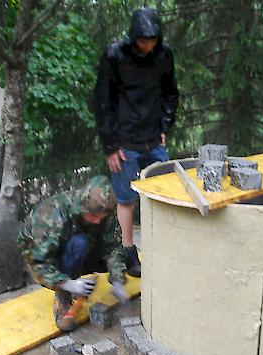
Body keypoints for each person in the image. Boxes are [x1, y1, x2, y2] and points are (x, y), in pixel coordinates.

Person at [94, 7, 179, 278]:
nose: (148, 45)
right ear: (133, 37)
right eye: (143, 40)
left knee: (163, 195)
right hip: (124, 142)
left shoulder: (164, 55)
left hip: (154, 139)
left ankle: (166, 250)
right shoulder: (115, 55)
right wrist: (110, 146)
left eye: (152, 40)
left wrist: (165, 126)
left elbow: (170, 94)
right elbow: (102, 102)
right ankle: (128, 252)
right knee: (126, 198)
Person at [18, 176, 127, 332]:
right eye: (94, 216)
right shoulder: (52, 215)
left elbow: (113, 246)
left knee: (127, 256)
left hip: (75, 243)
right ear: (83, 206)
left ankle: (75, 278)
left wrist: (118, 280)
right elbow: (38, 263)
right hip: (40, 252)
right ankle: (63, 296)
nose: (97, 221)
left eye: (101, 217)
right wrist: (68, 284)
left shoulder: (103, 212)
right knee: (79, 243)